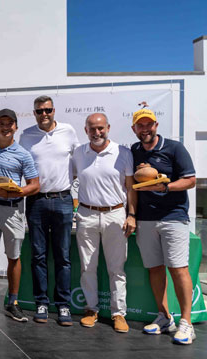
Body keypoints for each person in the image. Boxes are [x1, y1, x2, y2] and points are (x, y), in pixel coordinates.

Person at [130, 108, 197, 345]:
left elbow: (191, 180)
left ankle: (186, 324)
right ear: (134, 129)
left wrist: (165, 187)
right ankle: (164, 316)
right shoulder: (134, 150)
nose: (145, 129)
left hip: (173, 216)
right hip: (146, 219)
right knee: (155, 269)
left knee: (178, 269)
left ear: (156, 125)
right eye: (141, 125)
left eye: (149, 124)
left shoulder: (175, 148)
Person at [72, 113, 135, 333]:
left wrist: (132, 214)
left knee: (116, 269)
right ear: (85, 130)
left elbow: (130, 187)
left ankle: (119, 314)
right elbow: (68, 179)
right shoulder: (79, 153)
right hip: (87, 214)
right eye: (92, 129)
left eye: (100, 128)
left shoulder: (123, 152)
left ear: (108, 127)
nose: (97, 132)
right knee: (88, 267)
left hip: (115, 214)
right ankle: (91, 309)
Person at [19, 95, 79, 326]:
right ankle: (41, 303)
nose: (44, 114)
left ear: (54, 111)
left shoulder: (68, 131)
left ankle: (63, 306)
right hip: (36, 202)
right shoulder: (26, 136)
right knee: (38, 256)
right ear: (34, 113)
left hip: (63, 199)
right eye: (39, 111)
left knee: (63, 256)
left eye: (48, 110)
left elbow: (77, 162)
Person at [0, 109, 40, 326]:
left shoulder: (23, 153)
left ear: (15, 127)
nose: (5, 127)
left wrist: (16, 192)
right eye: (1, 123)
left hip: (13, 209)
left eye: (10, 123)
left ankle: (12, 302)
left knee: (14, 257)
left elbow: (35, 184)